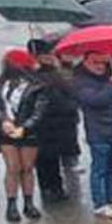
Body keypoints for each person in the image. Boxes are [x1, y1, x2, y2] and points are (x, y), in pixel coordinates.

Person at [0, 50, 47, 222]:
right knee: (12, 167)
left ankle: (29, 202)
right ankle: (11, 204)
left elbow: (40, 110)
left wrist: (25, 127)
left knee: (27, 167)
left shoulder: (37, 86)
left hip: (28, 131)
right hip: (7, 130)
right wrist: (2, 120)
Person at [73, 51, 112, 219]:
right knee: (99, 169)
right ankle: (100, 204)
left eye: (103, 63)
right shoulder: (81, 82)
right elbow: (96, 101)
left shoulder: (108, 78)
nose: (100, 66)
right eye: (95, 62)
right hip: (98, 132)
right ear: (86, 62)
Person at [29, 39, 80, 204]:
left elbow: (71, 93)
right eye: (45, 55)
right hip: (43, 123)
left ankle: (56, 187)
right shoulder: (33, 76)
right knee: (44, 160)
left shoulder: (58, 74)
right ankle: (48, 188)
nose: (49, 58)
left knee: (54, 158)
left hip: (60, 123)